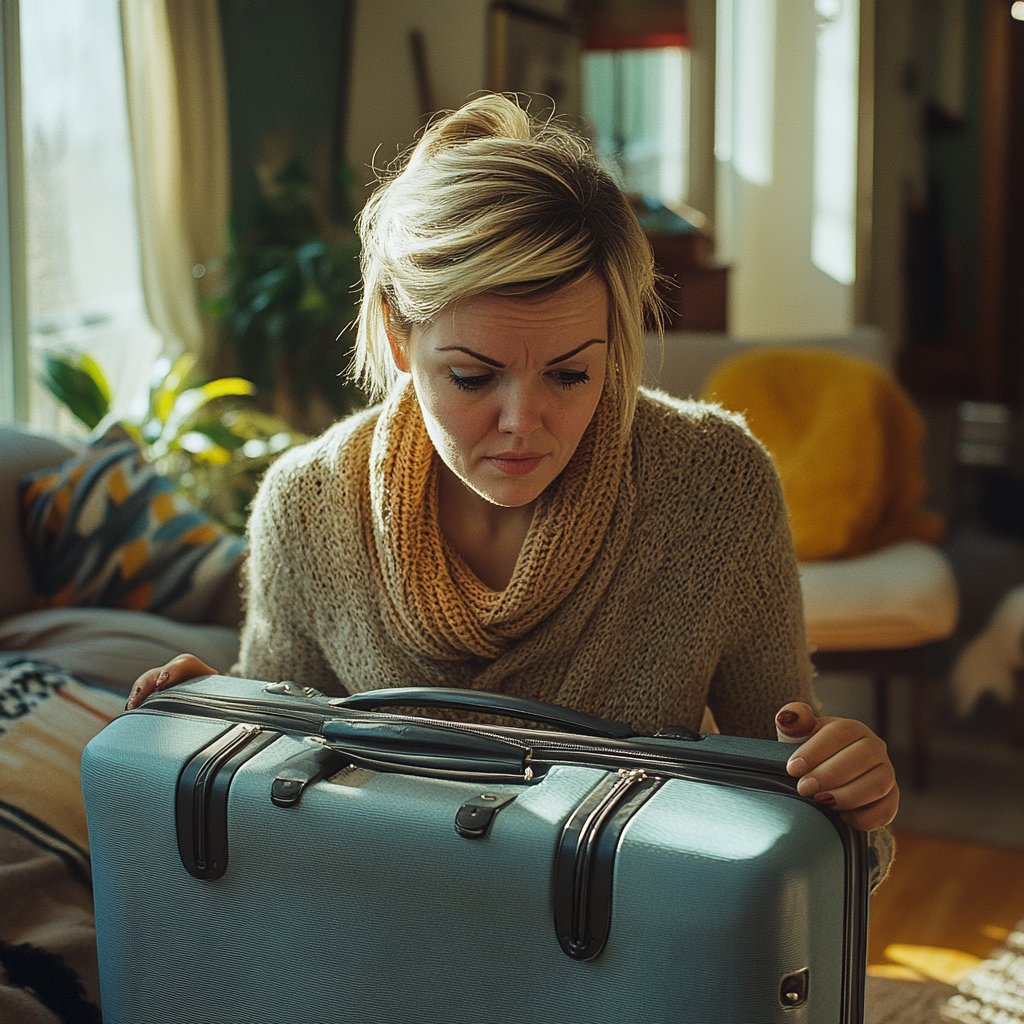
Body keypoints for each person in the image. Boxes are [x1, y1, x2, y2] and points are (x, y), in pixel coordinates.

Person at [126, 92, 898, 853]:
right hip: (379, 937)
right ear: (399, 337)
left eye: (570, 376)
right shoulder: (305, 506)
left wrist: (847, 798)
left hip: (628, 942)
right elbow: (274, 806)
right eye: (472, 377)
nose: (522, 423)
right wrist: (221, 728)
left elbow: (789, 805)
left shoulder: (714, 486)